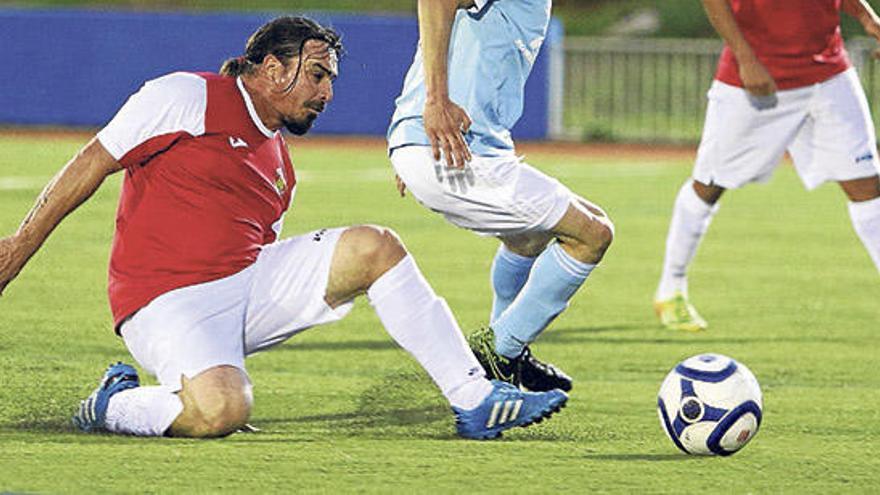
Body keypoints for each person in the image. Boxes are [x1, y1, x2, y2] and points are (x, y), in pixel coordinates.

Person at [0, 16, 568, 440]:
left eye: (330, 80)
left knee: (375, 246)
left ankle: (474, 398)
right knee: (222, 411)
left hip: (244, 287)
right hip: (163, 301)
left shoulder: (279, 160)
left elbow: (255, 252)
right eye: (317, 75)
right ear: (273, 67)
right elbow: (92, 163)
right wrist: (17, 248)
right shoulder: (186, 95)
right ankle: (112, 404)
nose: (327, 93)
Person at [387, 0, 614, 392]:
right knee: (593, 233)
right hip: (453, 151)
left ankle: (504, 357)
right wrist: (433, 105)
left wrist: (411, 133)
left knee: (529, 237)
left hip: (452, 148)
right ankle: (499, 352)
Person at [654, 0, 880, 332]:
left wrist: (866, 15)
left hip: (830, 74)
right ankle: (670, 289)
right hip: (757, 75)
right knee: (709, 185)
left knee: (868, 188)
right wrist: (745, 58)